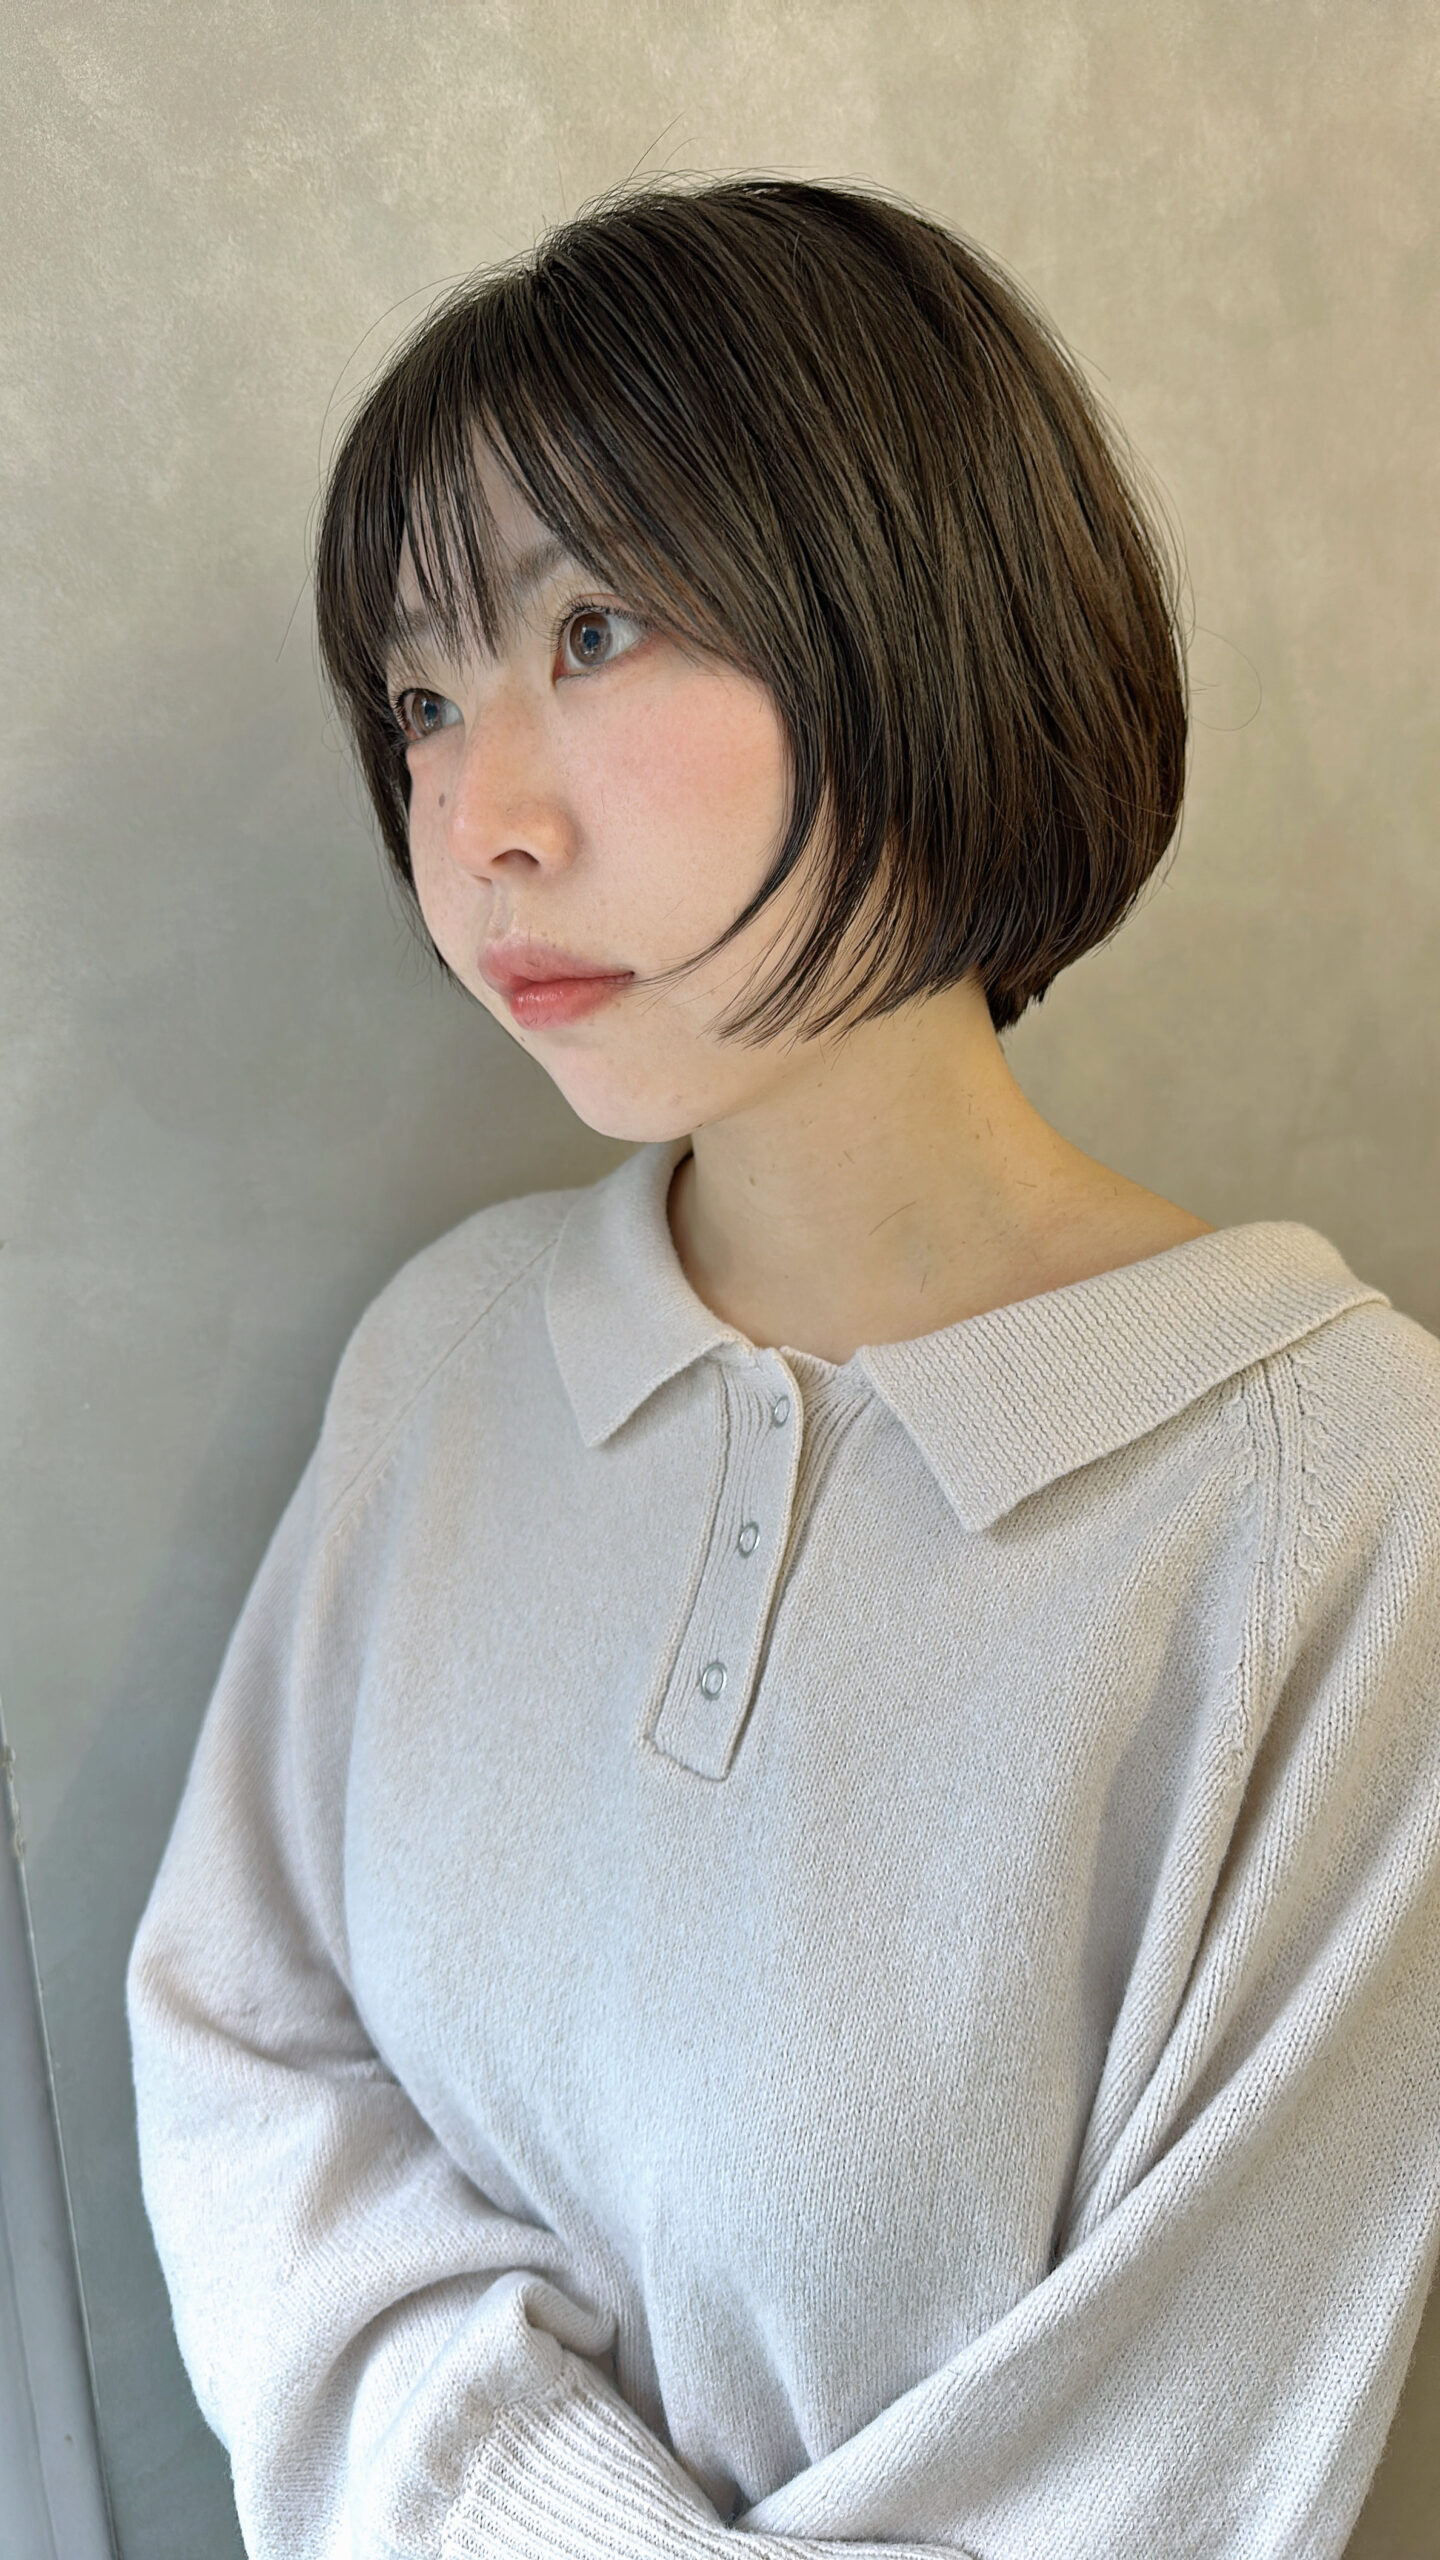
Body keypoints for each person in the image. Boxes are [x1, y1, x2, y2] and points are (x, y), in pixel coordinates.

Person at [127, 177, 1440, 2560]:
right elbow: (250, 2052)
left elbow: (1194, 2454)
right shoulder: (446, 1362)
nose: (479, 823)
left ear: (921, 611)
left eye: (594, 629)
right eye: (422, 701)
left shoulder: (1340, 1496)